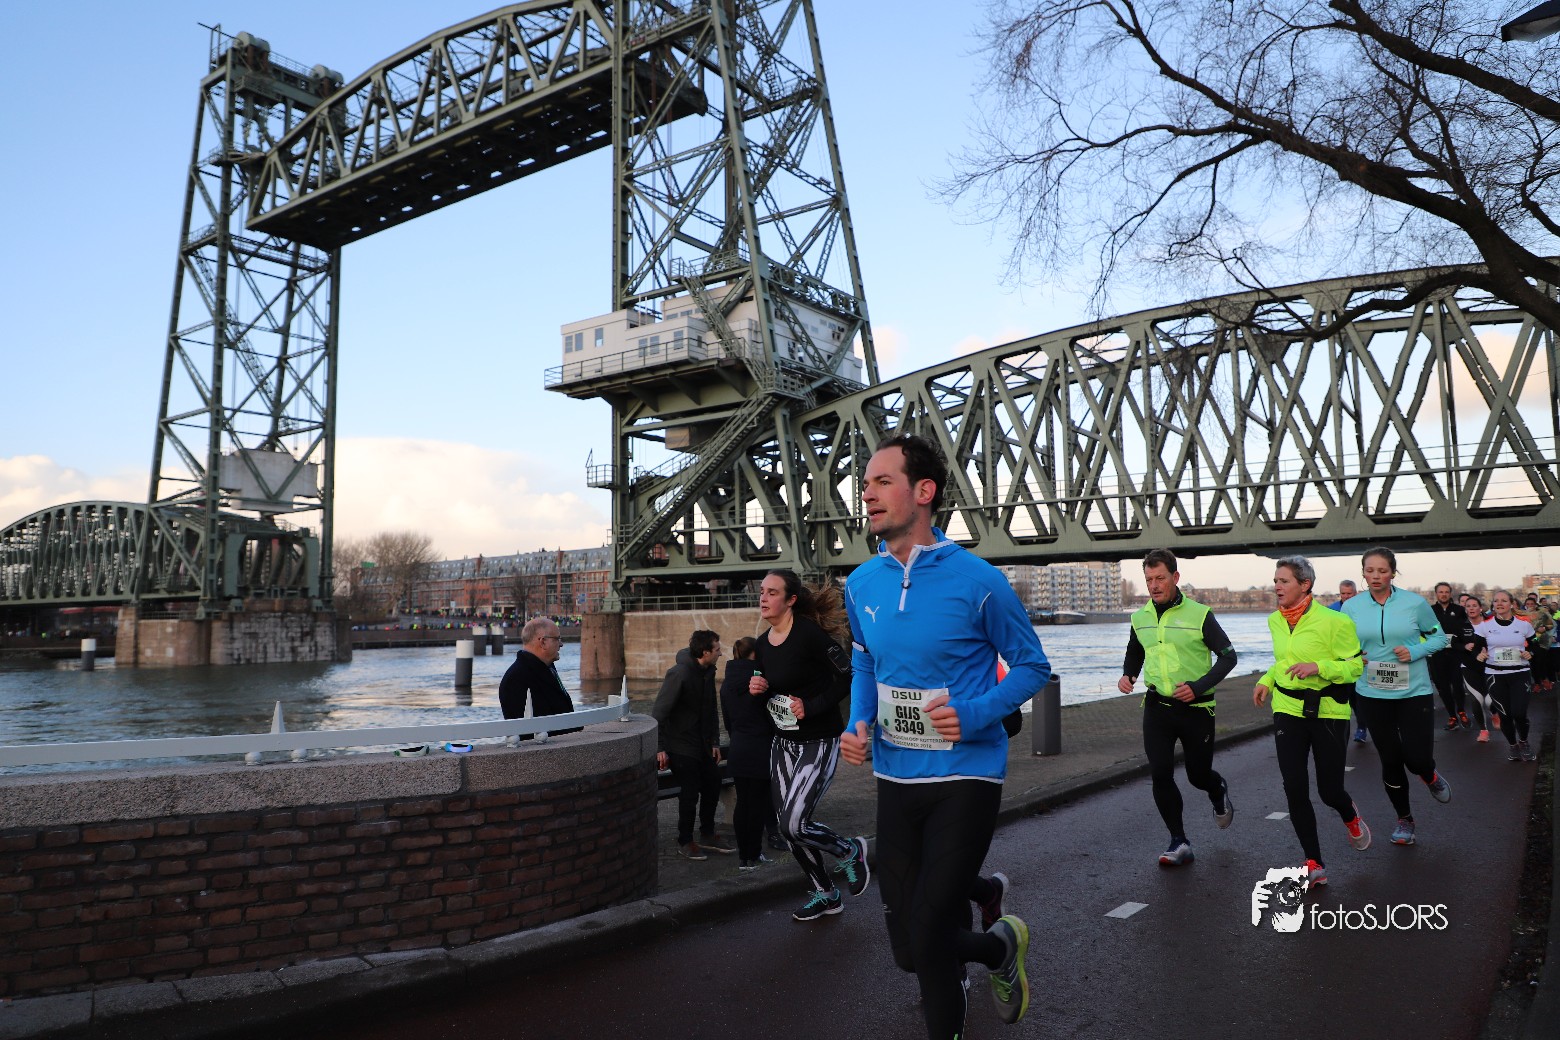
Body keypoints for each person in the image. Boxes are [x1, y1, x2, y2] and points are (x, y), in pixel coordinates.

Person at [839, 433, 1050, 1038]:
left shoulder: (979, 581)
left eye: (883, 482)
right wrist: (857, 723)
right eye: (866, 483)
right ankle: (999, 947)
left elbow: (1032, 666)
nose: (867, 493)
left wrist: (977, 712)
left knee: (931, 933)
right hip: (894, 776)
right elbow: (865, 664)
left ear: (924, 491)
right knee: (909, 951)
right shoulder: (861, 584)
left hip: (966, 776)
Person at [749, 569, 865, 919]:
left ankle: (848, 851)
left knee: (794, 824)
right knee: (791, 831)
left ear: (791, 600)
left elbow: (847, 675)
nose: (763, 598)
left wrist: (811, 706)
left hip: (819, 739)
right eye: (762, 591)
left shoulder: (809, 636)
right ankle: (826, 894)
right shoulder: (761, 644)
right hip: (783, 742)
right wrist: (758, 688)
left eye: (772, 592)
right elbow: (767, 686)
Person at [1117, 548, 1239, 866]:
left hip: (1197, 708)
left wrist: (1198, 686)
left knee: (1198, 775)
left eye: (1160, 578)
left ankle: (1217, 789)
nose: (1154, 585)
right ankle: (1178, 840)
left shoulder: (1200, 615)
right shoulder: (1140, 617)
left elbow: (1229, 657)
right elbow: (1136, 650)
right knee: (1160, 772)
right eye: (1149, 579)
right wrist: (1128, 674)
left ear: (1175, 577)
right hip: (1157, 706)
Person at [1253, 555, 1370, 887]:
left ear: (1305, 585)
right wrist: (1266, 679)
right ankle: (1314, 862)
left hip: (1328, 712)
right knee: (1294, 787)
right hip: (1287, 709)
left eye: (1284, 581)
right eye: (1275, 581)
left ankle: (1350, 815)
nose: (1277, 587)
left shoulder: (1335, 621)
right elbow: (1283, 661)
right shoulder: (1275, 620)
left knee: (1330, 791)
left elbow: (1355, 667)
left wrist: (1319, 667)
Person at [1341, 548, 1451, 847]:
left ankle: (1429, 774)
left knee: (1417, 759)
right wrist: (1352, 657)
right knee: (1390, 759)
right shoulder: (1351, 608)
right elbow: (1340, 645)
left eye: (1382, 570)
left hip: (1413, 691)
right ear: (1363, 573)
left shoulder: (1414, 604)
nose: (1375, 576)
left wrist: (1415, 651)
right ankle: (1404, 819)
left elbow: (1439, 637)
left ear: (1393, 572)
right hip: (1372, 693)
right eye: (1370, 571)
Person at [652, 630, 734, 860]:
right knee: (690, 792)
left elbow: (711, 710)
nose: (721, 653)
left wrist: (714, 741)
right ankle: (685, 840)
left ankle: (707, 833)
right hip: (679, 744)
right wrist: (659, 748)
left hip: (701, 745)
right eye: (717, 649)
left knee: (713, 782)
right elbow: (659, 713)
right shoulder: (679, 674)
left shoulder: (708, 672)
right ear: (705, 652)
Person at [720, 636, 774, 871]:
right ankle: (755, 852)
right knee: (758, 803)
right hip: (760, 746)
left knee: (743, 803)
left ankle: (745, 857)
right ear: (755, 654)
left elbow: (728, 720)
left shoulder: (726, 683)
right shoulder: (760, 680)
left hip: (739, 747)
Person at [1472, 591, 1538, 762]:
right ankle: (1513, 745)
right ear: (1493, 604)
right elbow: (1476, 648)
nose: (1499, 603)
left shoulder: (1524, 625)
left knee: (1519, 713)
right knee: (1505, 715)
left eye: (1503, 600)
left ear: (1512, 604)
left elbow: (1535, 645)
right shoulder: (1484, 627)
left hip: (1520, 673)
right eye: (1496, 601)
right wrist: (1479, 654)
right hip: (1495, 675)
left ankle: (1524, 742)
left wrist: (1530, 653)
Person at [498, 617, 580, 736]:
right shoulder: (516, 678)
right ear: (543, 642)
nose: (561, 644)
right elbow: (525, 730)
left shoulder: (546, 668)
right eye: (557, 639)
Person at [1429, 582, 1483, 736]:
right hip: (1437, 654)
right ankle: (1452, 716)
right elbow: (1425, 629)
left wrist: (1464, 643)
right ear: (1436, 594)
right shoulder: (1430, 610)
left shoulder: (1459, 610)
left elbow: (1467, 628)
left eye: (1446, 592)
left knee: (1458, 685)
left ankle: (1461, 711)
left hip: (1456, 653)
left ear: (1450, 593)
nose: (1443, 594)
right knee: (1443, 687)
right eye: (1441, 592)